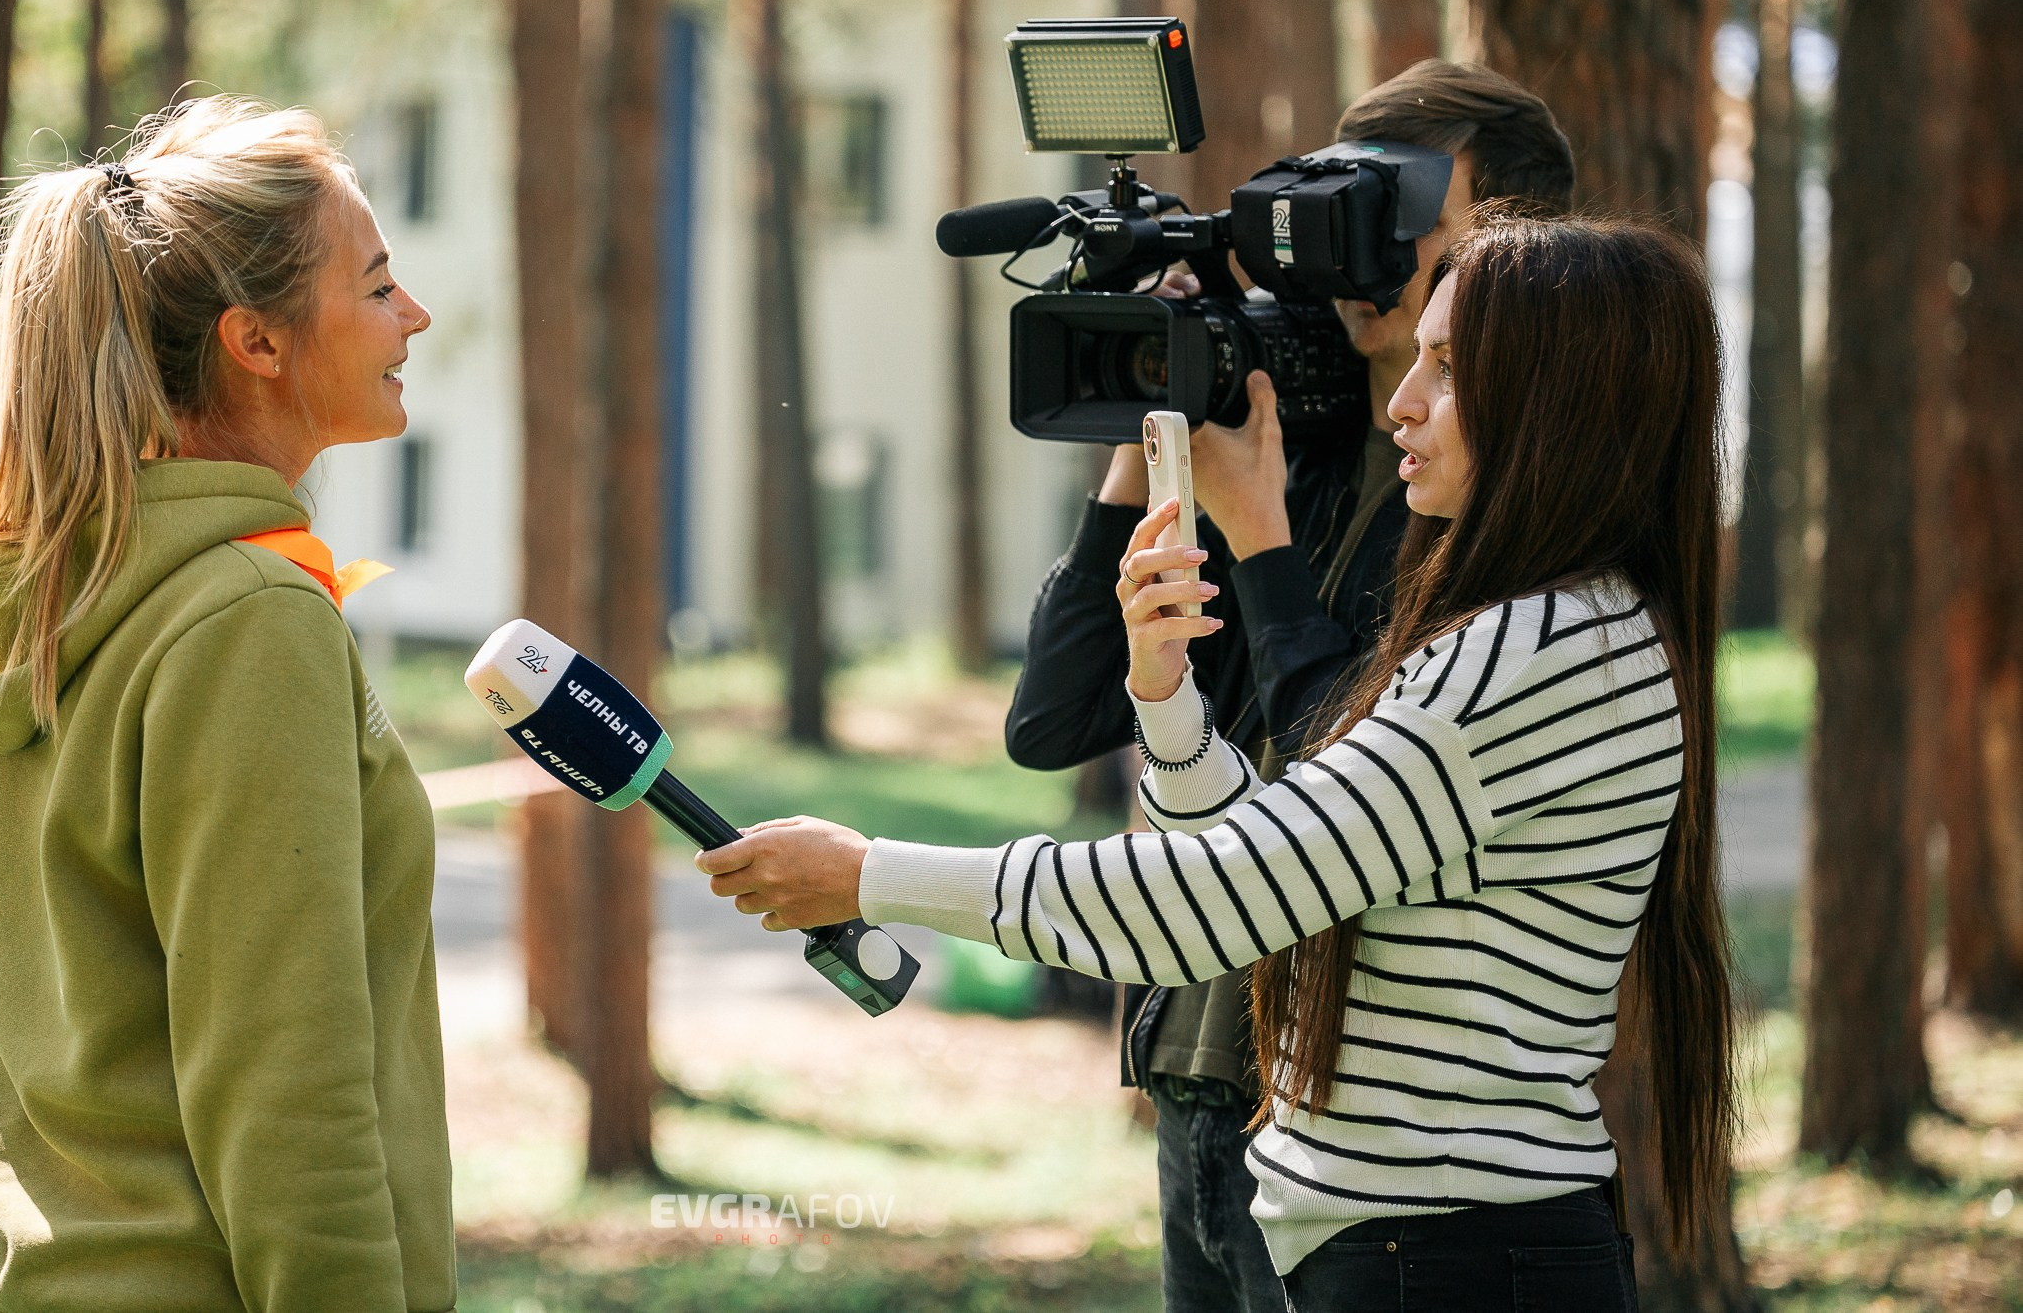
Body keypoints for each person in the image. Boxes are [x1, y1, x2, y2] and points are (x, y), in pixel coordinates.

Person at [699, 218, 1737, 1310]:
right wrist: (1166, 694)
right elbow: (1283, 879)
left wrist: (870, 875)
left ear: (1558, 404)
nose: (1402, 402)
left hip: (1448, 1258)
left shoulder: (1523, 650)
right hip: (1437, 1249)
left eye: (1450, 368)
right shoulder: (1567, 626)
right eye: (1419, 356)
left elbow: (1218, 904)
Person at [1004, 61, 1576, 1310]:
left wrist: (1257, 537)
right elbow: (1054, 718)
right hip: (1199, 1078)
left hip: (1348, 1117)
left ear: (1508, 242)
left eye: (1403, 200)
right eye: (1340, 190)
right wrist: (1157, 417)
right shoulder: (1286, 440)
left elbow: (1344, 785)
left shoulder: (1504, 520)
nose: (1355, 235)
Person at [0, 97, 450, 1312]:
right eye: (379, 285)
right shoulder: (249, 620)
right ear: (258, 341)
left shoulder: (60, 599)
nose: (415, 315)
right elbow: (285, 1086)